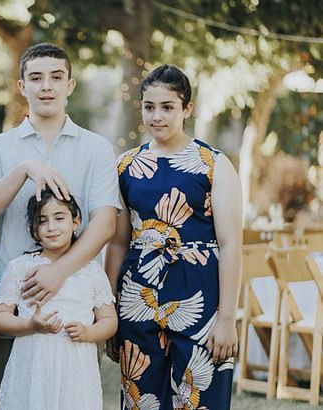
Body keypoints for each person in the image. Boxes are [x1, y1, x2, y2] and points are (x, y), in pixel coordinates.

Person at [0, 42, 121, 408]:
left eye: (55, 77)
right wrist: (23, 170)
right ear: (22, 86)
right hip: (17, 308)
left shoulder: (96, 148)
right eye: (35, 78)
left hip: (74, 317)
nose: (46, 86)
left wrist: (59, 271)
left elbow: (105, 224)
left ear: (70, 85)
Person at [105, 64, 242, 409]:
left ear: (186, 110)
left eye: (167, 107)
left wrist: (226, 319)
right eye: (149, 107)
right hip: (138, 295)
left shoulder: (213, 165)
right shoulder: (125, 166)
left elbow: (230, 244)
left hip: (199, 295)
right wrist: (108, 309)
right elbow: (119, 241)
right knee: (142, 400)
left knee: (200, 398)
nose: (157, 116)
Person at [0, 189, 117, 409]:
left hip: (76, 368)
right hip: (33, 365)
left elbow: (109, 321)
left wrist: (89, 332)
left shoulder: (91, 271)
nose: (51, 227)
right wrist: (30, 325)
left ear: (76, 221)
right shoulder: (21, 268)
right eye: (42, 221)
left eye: (59, 218)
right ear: (33, 228)